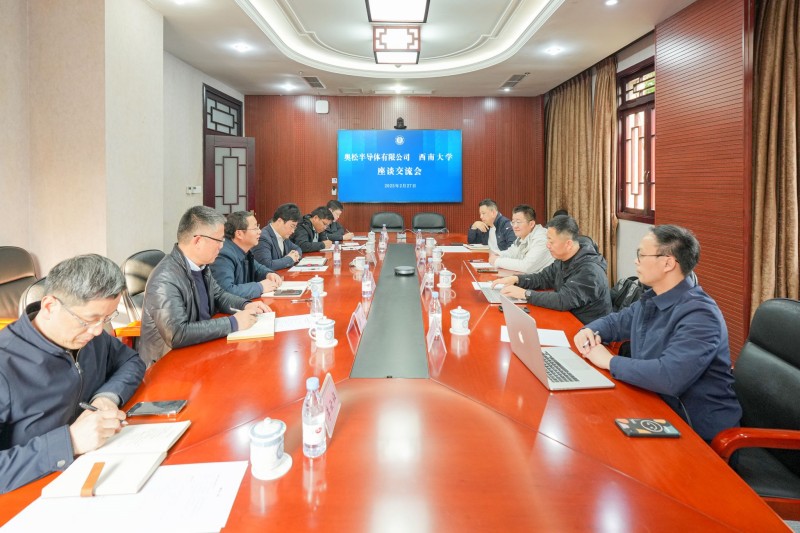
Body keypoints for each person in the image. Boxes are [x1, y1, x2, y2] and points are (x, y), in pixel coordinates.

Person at [574, 225, 741, 441]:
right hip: (651, 402)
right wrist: (588, 330)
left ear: (668, 263)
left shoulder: (701, 315)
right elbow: (616, 322)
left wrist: (609, 361)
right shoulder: (654, 298)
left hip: (694, 429)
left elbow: (669, 376)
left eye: (641, 255)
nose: (636, 261)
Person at [0, 254, 146, 493]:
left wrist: (106, 397)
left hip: (96, 469)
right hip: (33, 492)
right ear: (50, 306)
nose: (98, 331)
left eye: (106, 318)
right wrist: (71, 441)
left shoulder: (87, 336)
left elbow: (130, 361)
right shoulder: (5, 365)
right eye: (89, 320)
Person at [140, 206, 270, 366]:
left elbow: (219, 295)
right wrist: (233, 323)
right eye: (219, 240)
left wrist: (245, 305)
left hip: (200, 350)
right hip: (169, 364)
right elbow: (177, 333)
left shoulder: (201, 265)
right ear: (198, 241)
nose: (222, 246)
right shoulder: (165, 279)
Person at [493, 215, 611, 324]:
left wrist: (525, 294)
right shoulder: (562, 259)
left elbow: (563, 300)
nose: (547, 245)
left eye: (551, 241)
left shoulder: (590, 271)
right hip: (566, 317)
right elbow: (543, 278)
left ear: (568, 244)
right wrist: (516, 279)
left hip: (587, 328)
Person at [210, 211, 284, 299]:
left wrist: (269, 274)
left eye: (258, 227)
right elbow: (226, 291)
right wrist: (260, 287)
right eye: (255, 228)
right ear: (239, 234)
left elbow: (258, 268)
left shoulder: (244, 250)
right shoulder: (223, 255)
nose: (259, 231)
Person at [488, 204, 553, 273]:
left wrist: (497, 261)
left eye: (518, 222)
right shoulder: (523, 236)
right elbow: (512, 253)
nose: (515, 226)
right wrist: (498, 255)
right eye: (513, 222)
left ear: (531, 224)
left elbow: (526, 266)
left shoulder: (542, 239)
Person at [252, 203, 304, 271]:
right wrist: (290, 259)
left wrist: (295, 255)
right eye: (292, 226)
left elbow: (297, 248)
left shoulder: (283, 236)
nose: (293, 231)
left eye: (295, 227)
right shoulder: (263, 237)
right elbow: (266, 265)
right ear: (280, 221)